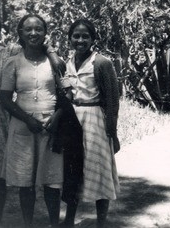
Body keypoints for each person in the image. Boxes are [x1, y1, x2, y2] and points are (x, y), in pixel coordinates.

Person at [0, 13, 64, 228]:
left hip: (3, 114)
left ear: (0, 33)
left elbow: (36, 43)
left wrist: (52, 53)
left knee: (0, 168)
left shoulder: (10, 52)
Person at [60, 19, 120, 228]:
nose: (80, 40)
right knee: (72, 169)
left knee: (98, 169)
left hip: (94, 120)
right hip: (72, 120)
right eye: (76, 35)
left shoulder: (101, 63)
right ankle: (69, 219)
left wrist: (112, 131)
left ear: (93, 39)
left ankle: (101, 222)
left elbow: (112, 100)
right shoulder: (67, 62)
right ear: (70, 38)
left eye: (86, 36)